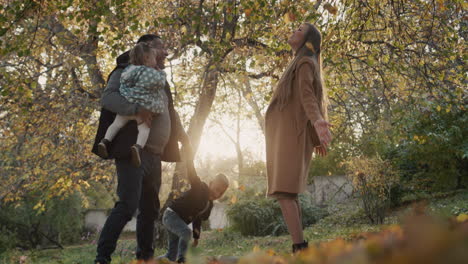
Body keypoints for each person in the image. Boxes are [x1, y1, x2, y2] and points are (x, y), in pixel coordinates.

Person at [91, 34, 193, 264]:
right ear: (146, 50)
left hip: (154, 155)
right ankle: (102, 257)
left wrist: (184, 138)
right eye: (161, 48)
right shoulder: (126, 71)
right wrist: (136, 109)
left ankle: (144, 258)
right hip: (132, 151)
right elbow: (108, 98)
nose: (166, 53)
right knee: (127, 205)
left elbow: (170, 112)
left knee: (150, 210)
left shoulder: (158, 78)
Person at [264, 23, 332, 253]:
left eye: (300, 30)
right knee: (288, 193)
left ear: (308, 40)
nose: (293, 31)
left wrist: (317, 122)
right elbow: (303, 99)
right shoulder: (301, 62)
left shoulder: (304, 62)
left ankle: (299, 247)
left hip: (290, 136)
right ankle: (300, 245)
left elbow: (307, 95)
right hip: (288, 135)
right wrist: (314, 138)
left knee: (284, 192)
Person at [97, 42, 168, 167]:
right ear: (146, 58)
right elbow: (159, 81)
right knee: (144, 129)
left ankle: (105, 141)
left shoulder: (129, 70)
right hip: (140, 110)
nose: (156, 61)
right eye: (154, 58)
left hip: (127, 107)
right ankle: (138, 147)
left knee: (116, 124)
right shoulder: (149, 72)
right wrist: (160, 72)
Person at [159, 162, 229, 263]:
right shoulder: (200, 188)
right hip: (171, 215)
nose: (217, 193)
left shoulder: (208, 204)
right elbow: (192, 173)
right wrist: (188, 151)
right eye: (216, 189)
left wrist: (196, 238)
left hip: (176, 221)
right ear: (210, 183)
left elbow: (198, 219)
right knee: (186, 232)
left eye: (221, 192)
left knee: (171, 255)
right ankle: (182, 260)